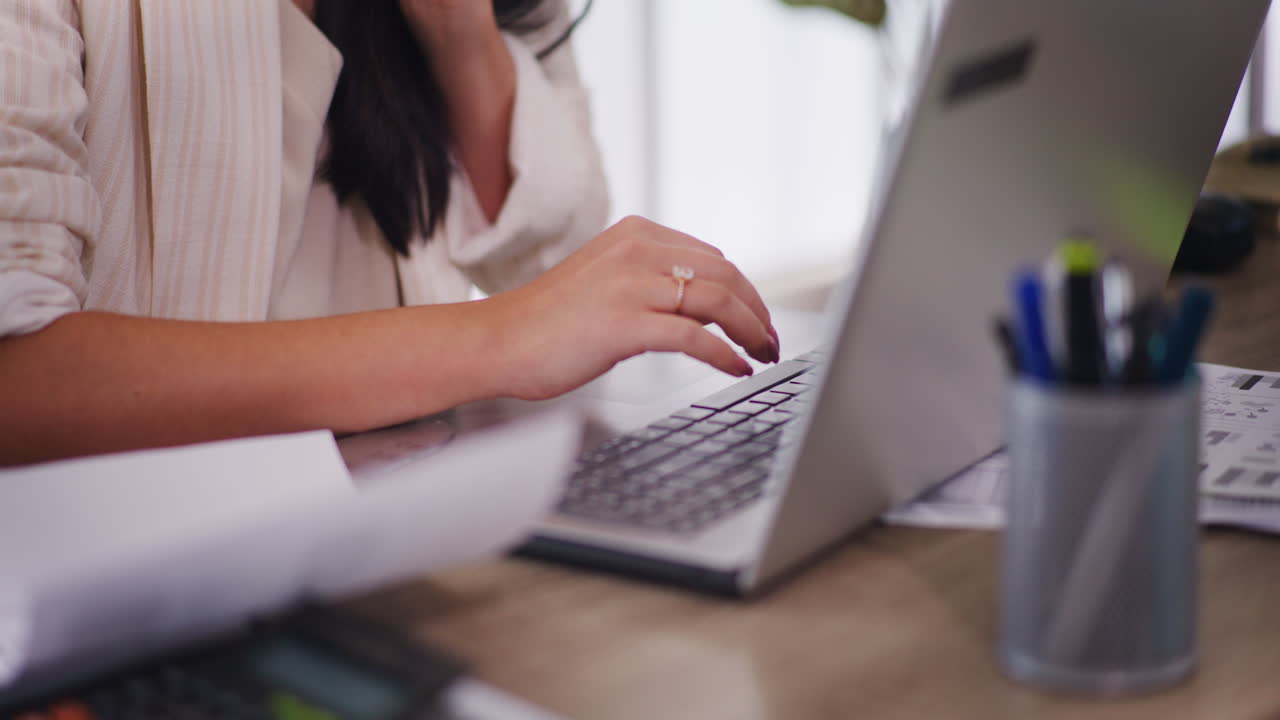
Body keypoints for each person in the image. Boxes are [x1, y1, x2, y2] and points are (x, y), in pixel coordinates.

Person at [0, 0, 780, 467]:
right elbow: (19, 377)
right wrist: (496, 340)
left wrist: (459, 37)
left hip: (396, 543)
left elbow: (551, 246)